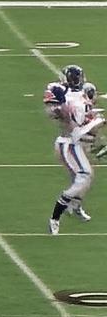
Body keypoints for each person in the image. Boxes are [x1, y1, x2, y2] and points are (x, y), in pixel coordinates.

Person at [45, 68, 102, 234]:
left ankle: (75, 207)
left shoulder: (78, 96)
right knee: (84, 175)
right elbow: (72, 126)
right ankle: (55, 217)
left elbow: (85, 124)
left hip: (74, 142)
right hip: (68, 144)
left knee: (85, 177)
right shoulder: (66, 96)